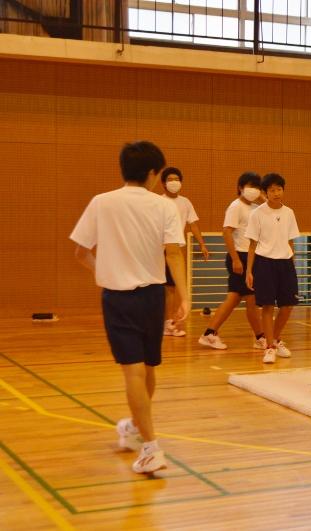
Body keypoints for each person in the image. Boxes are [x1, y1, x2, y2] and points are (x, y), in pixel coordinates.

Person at [70, 141, 188, 474]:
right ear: (152, 173)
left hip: (118, 298)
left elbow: (80, 252)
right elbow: (174, 253)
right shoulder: (164, 206)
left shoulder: (102, 202)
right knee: (148, 368)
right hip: (153, 298)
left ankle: (150, 448)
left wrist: (105, 269)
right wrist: (184, 296)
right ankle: (137, 429)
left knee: (134, 371)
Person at [199, 172, 266, 350]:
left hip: (251, 257)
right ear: (240, 188)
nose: (254, 190)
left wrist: (262, 197)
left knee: (240, 298)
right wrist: (236, 259)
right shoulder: (235, 206)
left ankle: (211, 333)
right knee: (248, 298)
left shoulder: (255, 208)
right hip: (240, 257)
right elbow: (226, 231)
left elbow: (271, 208)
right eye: (251, 186)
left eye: (257, 187)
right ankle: (259, 338)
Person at [245, 173, 301, 363]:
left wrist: (292, 263)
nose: (276, 193)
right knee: (268, 306)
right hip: (264, 263)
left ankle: (274, 340)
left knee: (287, 306)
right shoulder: (257, 214)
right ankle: (269, 347)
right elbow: (252, 245)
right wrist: (249, 271)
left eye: (279, 189)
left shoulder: (289, 213)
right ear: (265, 193)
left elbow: (291, 241)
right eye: (272, 190)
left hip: (285, 263)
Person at [160, 166, 209, 337]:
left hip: (175, 250)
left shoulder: (185, 202)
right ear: (163, 183)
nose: (174, 182)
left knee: (172, 288)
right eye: (170, 179)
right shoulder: (159, 201)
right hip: (159, 250)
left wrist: (202, 244)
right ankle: (165, 323)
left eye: (176, 179)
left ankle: (169, 323)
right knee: (163, 288)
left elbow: (193, 224)